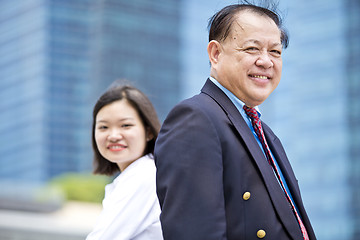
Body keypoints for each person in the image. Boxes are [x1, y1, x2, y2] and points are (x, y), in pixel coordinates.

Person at [155, 3, 316, 240]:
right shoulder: (195, 119)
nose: (266, 61)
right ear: (215, 54)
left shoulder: (265, 134)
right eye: (252, 49)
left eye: (275, 52)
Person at [86, 82, 163, 240]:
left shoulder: (144, 176)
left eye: (125, 125)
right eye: (103, 127)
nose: (113, 135)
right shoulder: (144, 173)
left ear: (148, 132)